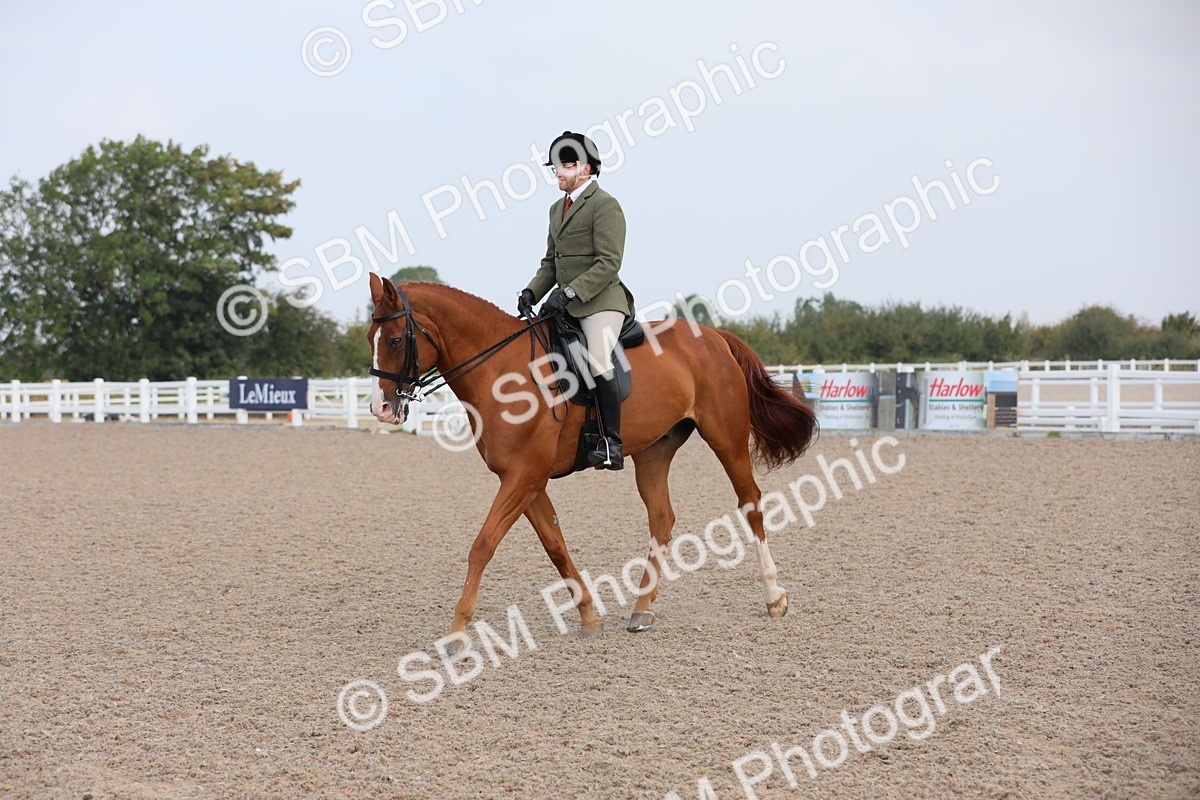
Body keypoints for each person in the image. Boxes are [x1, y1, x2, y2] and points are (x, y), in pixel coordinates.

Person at [519, 130, 634, 470]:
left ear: (586, 169)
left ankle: (611, 443)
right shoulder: (557, 209)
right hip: (565, 304)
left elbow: (609, 262)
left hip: (600, 302)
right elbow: (551, 263)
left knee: (597, 359)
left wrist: (569, 293)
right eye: (556, 167)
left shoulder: (604, 205)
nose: (558, 172)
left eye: (565, 166)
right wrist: (531, 291)